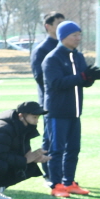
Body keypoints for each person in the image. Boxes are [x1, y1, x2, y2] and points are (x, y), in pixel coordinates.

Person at [42, 21, 100, 197]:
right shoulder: (52, 58)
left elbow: (82, 81)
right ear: (63, 37)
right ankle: (56, 185)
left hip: (74, 112)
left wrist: (90, 78)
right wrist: (82, 76)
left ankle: (69, 182)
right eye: (74, 35)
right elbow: (56, 83)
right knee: (56, 150)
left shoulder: (78, 56)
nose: (78, 38)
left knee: (73, 149)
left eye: (79, 35)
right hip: (57, 112)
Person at [31, 12, 66, 162]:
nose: (62, 27)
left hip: (67, 101)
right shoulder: (42, 50)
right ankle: (49, 172)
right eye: (58, 24)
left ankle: (62, 173)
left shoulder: (66, 48)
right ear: (48, 26)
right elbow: (40, 77)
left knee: (65, 142)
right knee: (51, 139)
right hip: (50, 102)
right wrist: (62, 81)